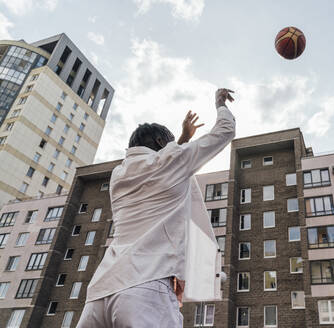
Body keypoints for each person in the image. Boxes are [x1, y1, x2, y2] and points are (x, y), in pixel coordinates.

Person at [76, 88, 236, 328]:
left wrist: (180, 140)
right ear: (162, 142)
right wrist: (220, 102)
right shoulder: (168, 163)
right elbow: (225, 131)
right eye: (170, 143)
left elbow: (162, 162)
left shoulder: (118, 176)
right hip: (145, 286)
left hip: (100, 294)